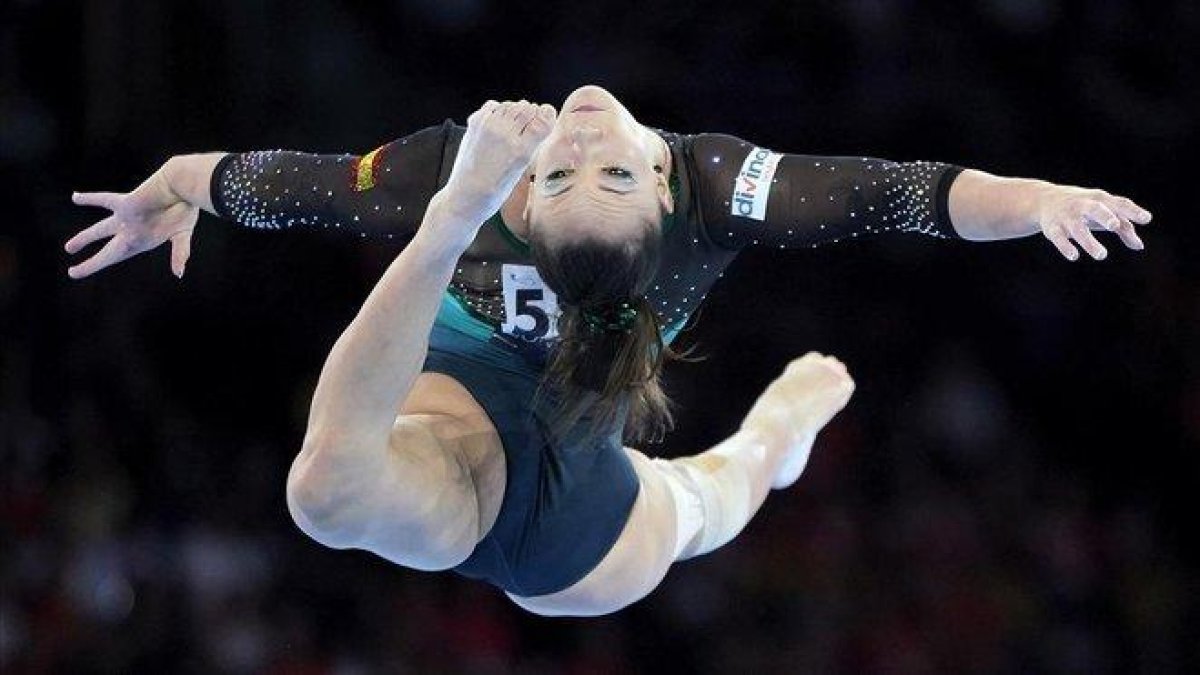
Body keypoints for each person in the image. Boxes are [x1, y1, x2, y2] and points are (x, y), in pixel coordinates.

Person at [64, 86, 1152, 617]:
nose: (581, 147)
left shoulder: (522, 176)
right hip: (543, 464)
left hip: (550, 521)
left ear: (666, 182)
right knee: (710, 496)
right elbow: (292, 184)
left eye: (591, 174)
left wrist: (455, 213)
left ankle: (772, 436)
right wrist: (176, 183)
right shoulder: (551, 176)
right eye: (593, 172)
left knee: (322, 496)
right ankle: (771, 440)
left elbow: (901, 196)